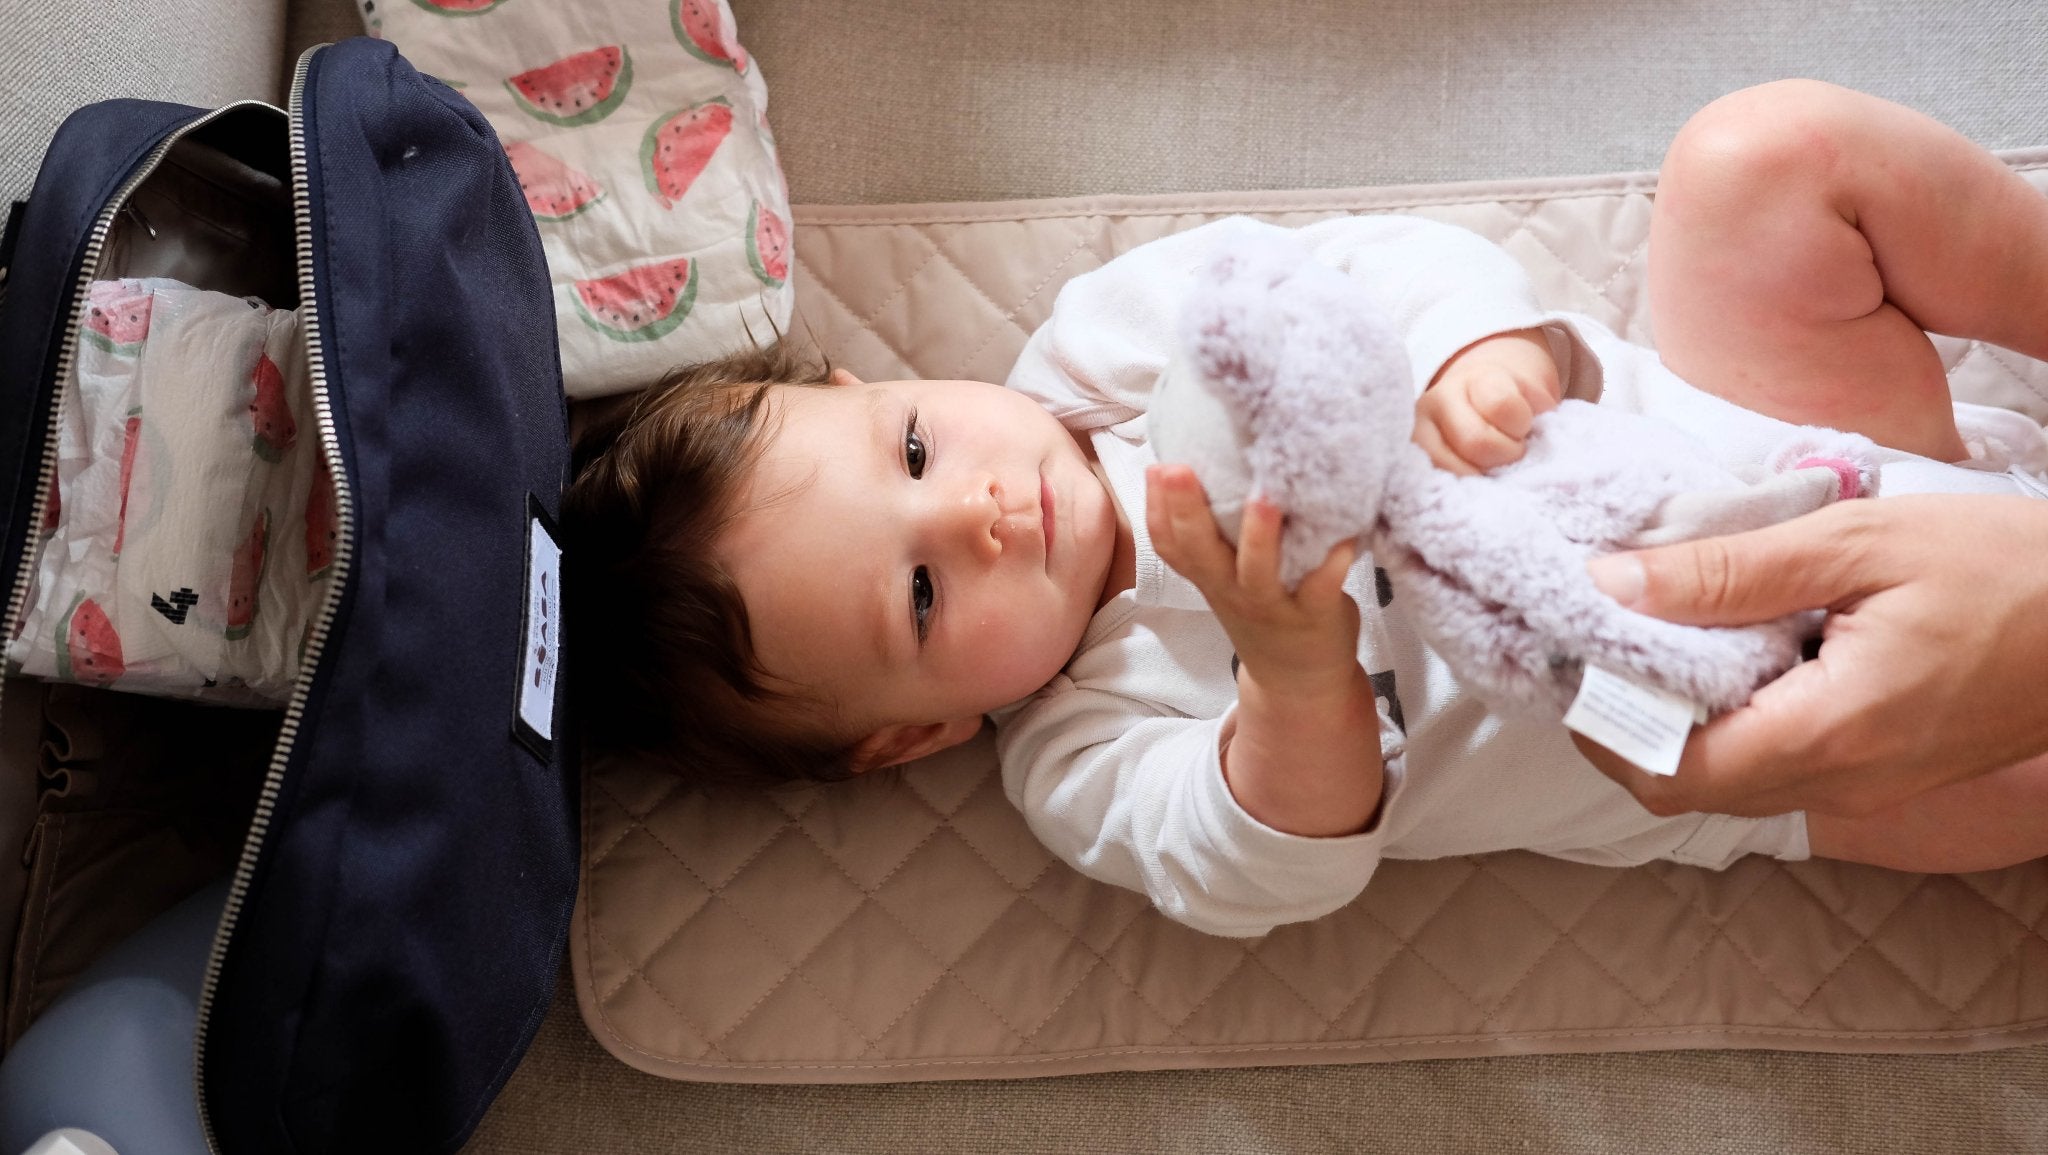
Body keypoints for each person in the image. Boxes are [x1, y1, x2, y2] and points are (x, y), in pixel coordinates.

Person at [564, 80, 2048, 938]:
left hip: (1786, 433)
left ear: (865, 378)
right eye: (922, 597)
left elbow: (1351, 272)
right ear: (916, 735)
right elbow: (1270, 861)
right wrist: (1288, 664)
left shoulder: (1107, 349)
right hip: (1773, 737)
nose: (978, 516)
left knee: (1760, 158)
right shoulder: (1083, 753)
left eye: (909, 453)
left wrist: (1477, 350)